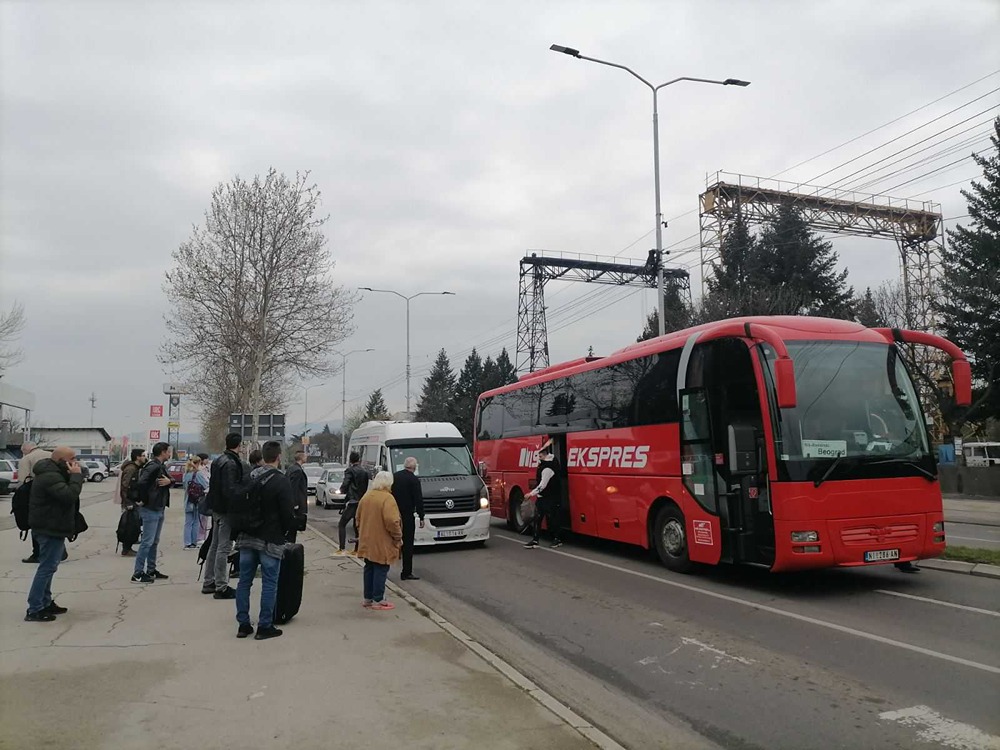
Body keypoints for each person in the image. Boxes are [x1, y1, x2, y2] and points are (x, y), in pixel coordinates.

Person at [234, 440, 296, 641]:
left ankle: (243, 625)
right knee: (270, 583)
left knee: (244, 582)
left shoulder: (248, 477)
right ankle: (264, 626)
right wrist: (288, 531)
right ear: (279, 457)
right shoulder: (281, 480)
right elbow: (287, 513)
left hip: (246, 537)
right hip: (270, 538)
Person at [24, 447, 84, 621]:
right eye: (72, 458)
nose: (75, 461)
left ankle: (46, 601)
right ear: (61, 460)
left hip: (53, 525)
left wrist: (73, 475)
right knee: (46, 568)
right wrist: (75, 476)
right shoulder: (50, 476)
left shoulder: (54, 473)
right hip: (48, 527)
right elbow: (69, 495)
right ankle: (35, 608)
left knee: (50, 566)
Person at [203, 433, 250, 599]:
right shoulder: (231, 463)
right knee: (224, 547)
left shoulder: (219, 460)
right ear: (239, 445)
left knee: (214, 546)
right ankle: (221, 586)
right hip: (226, 510)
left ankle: (209, 581)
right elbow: (230, 490)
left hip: (216, 508)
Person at [356, 471, 403, 610]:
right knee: (381, 568)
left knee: (369, 567)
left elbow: (358, 517)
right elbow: (392, 521)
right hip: (382, 540)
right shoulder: (388, 499)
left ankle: (368, 598)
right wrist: (398, 537)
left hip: (367, 539)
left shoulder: (366, 496)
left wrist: (362, 531)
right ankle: (379, 599)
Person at [131, 442, 173, 583]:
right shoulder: (153, 466)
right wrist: (143, 499)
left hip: (158, 507)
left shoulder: (160, 466)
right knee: (147, 542)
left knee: (154, 541)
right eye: (168, 451)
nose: (169, 454)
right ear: (162, 452)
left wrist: (169, 481)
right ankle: (137, 573)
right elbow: (142, 483)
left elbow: (170, 479)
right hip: (151, 508)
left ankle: (151, 569)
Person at [17, 441, 60, 564]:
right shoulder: (51, 455)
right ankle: (58, 550)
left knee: (35, 525)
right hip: (55, 495)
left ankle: (37, 553)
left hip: (35, 495)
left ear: (26, 449)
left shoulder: (27, 459)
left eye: (22, 451)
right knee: (53, 522)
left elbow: (23, 480)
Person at [391, 457, 424, 580]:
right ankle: (406, 572)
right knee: (408, 544)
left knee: (392, 541)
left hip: (394, 514)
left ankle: (385, 566)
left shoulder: (395, 477)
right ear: (414, 467)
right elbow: (418, 500)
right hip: (407, 516)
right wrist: (421, 516)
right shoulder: (414, 480)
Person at [524, 445, 563, 549]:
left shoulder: (547, 468)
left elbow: (542, 485)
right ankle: (535, 540)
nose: (538, 459)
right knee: (537, 518)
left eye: (540, 456)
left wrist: (531, 494)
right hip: (543, 497)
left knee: (552, 519)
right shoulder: (547, 464)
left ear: (545, 456)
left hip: (550, 498)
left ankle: (557, 539)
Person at [335, 452, 369, 556]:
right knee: (357, 525)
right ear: (359, 459)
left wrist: (341, 490)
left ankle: (342, 548)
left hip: (352, 501)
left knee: (342, 524)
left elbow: (346, 483)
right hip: (361, 501)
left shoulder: (350, 471)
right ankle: (357, 549)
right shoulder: (364, 471)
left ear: (350, 460)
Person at [117, 448, 147, 556]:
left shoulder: (137, 468)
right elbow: (125, 486)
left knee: (134, 525)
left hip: (135, 500)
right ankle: (126, 548)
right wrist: (127, 502)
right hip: (130, 501)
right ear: (138, 457)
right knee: (129, 525)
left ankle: (128, 547)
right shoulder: (130, 468)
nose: (145, 457)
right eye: (143, 455)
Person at [182, 455, 208, 549]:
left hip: (188, 501)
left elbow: (185, 487)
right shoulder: (199, 474)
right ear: (197, 463)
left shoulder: (186, 474)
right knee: (196, 521)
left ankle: (187, 543)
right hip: (198, 501)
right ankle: (194, 542)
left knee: (188, 522)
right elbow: (206, 485)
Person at [285, 450, 308, 543]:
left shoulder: (292, 468)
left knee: (291, 529)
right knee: (293, 528)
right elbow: (293, 487)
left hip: (293, 503)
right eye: (305, 456)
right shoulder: (297, 471)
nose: (306, 457)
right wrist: (295, 503)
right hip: (296, 505)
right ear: (301, 458)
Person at [196, 452, 211, 543]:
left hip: (205, 494)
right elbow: (205, 482)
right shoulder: (200, 470)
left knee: (204, 518)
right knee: (202, 517)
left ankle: (202, 536)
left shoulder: (206, 469)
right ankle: (200, 536)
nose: (208, 460)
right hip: (203, 495)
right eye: (206, 459)